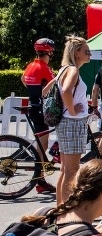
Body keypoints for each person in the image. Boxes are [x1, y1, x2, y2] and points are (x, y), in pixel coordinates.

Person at [53, 36, 92, 207]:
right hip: (72, 122)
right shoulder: (73, 70)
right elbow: (66, 91)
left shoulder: (64, 68)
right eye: (86, 51)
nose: (89, 54)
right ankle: (67, 211)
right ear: (77, 53)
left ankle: (60, 208)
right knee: (71, 171)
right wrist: (72, 109)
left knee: (65, 170)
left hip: (66, 122)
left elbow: (50, 88)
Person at [21, 38, 57, 193]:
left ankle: (41, 178)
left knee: (41, 145)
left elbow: (23, 79)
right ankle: (40, 179)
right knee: (42, 146)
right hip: (42, 109)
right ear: (49, 51)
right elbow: (56, 84)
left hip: (34, 106)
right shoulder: (44, 67)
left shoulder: (30, 66)